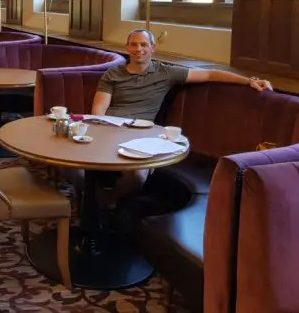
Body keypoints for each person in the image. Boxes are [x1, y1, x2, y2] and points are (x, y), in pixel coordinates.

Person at [91, 28, 273, 211]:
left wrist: (249, 81)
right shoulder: (113, 74)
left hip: (141, 136)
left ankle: (107, 201)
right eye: (134, 44)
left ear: (153, 47)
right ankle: (88, 202)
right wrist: (103, 132)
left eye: (144, 44)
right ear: (127, 48)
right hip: (110, 130)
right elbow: (99, 109)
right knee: (72, 165)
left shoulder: (165, 72)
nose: (139, 49)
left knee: (138, 176)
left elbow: (210, 74)